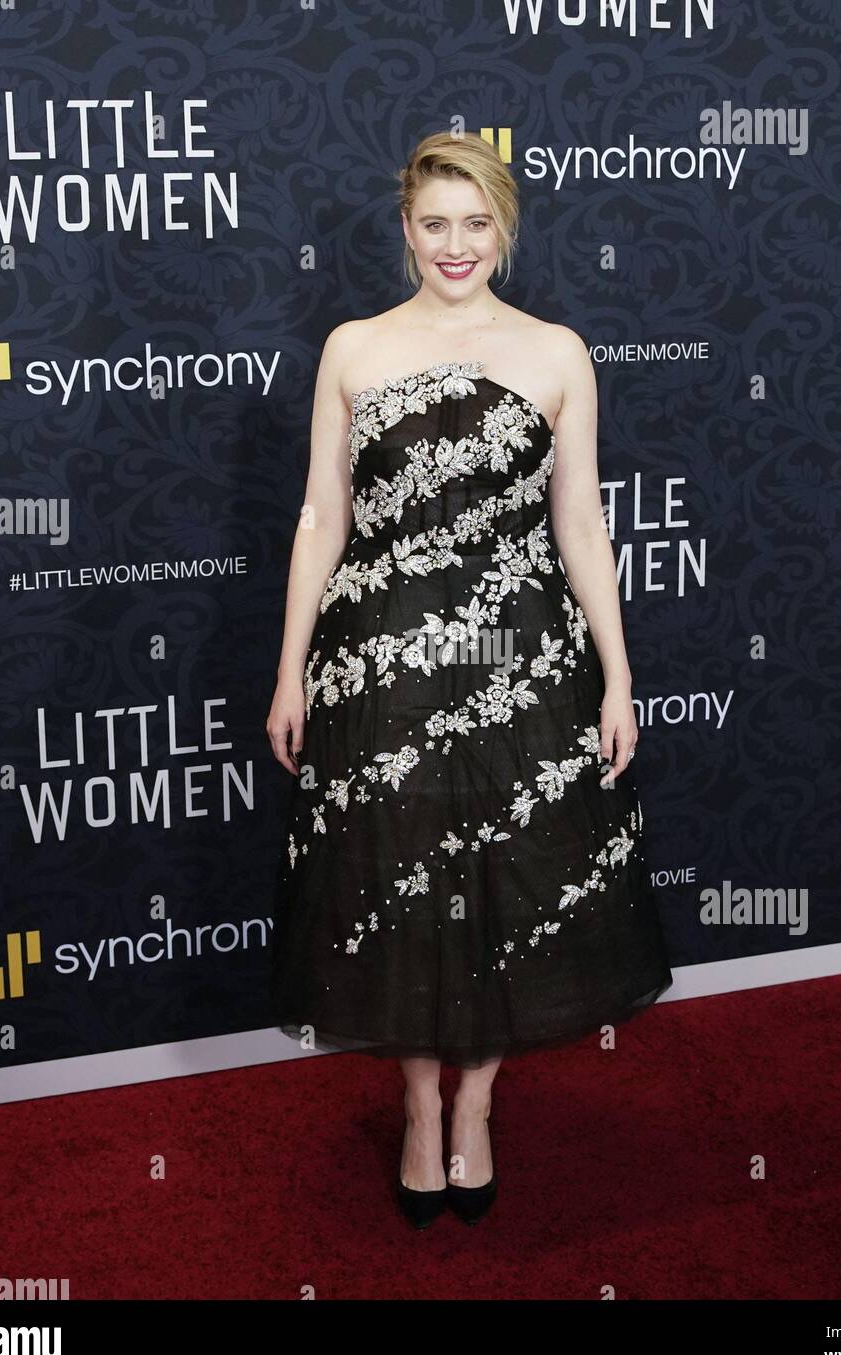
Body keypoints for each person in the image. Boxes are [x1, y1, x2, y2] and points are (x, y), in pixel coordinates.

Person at [266, 130, 672, 1229]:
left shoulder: (557, 352)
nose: (455, 245)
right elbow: (320, 518)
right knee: (385, 882)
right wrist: (291, 667)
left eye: (476, 223)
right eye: (434, 223)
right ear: (405, 229)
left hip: (521, 661)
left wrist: (616, 677)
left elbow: (581, 523)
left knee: (511, 887)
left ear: (505, 230)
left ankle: (477, 1109)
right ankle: (415, 1108)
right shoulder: (352, 346)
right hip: (378, 660)